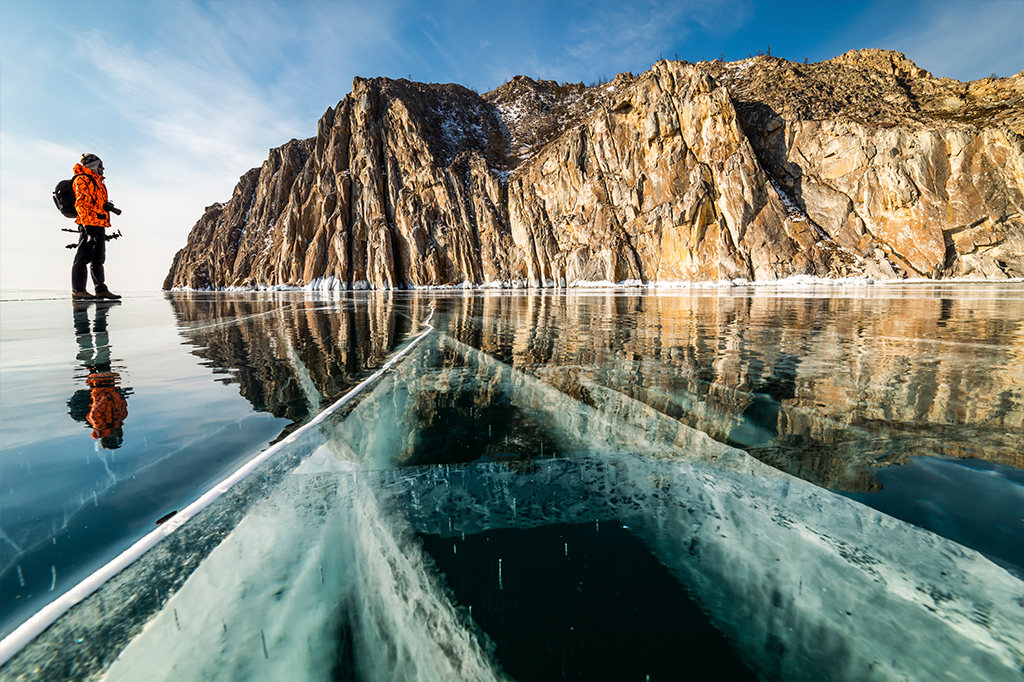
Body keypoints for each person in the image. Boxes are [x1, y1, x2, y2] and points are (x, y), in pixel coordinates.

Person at [71, 153, 121, 300]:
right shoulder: (82, 180)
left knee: (99, 259)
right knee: (83, 257)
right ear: (92, 165)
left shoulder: (99, 183)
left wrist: (106, 206)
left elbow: (97, 202)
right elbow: (81, 204)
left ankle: (101, 289)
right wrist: (87, 226)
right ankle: (78, 290)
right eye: (100, 166)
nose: (102, 169)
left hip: (99, 224)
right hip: (88, 224)